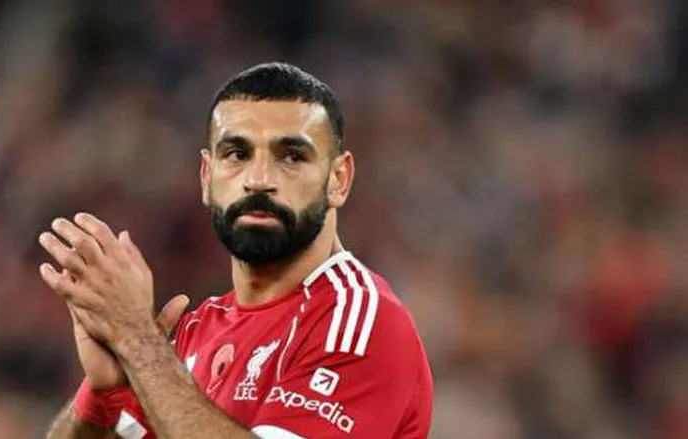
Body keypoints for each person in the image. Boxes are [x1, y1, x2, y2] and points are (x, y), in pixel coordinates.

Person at [39, 62, 432, 439]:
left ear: (338, 180)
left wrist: (138, 341)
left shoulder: (359, 323)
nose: (258, 180)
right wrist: (102, 396)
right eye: (237, 154)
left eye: (292, 157)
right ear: (206, 176)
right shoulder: (193, 335)